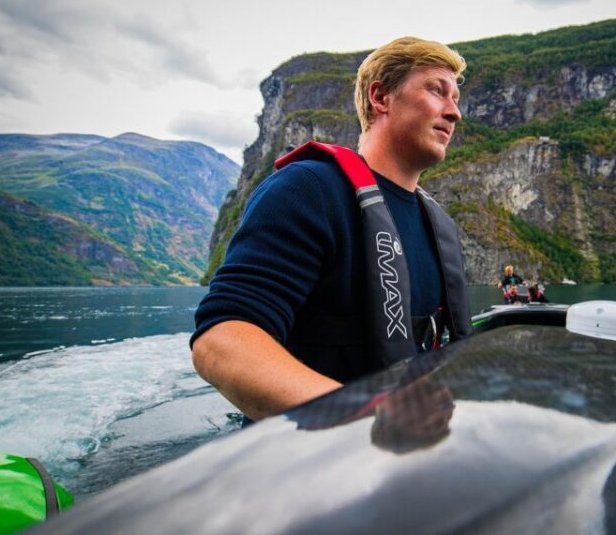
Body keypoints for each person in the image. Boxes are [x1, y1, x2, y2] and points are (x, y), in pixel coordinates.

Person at [191, 37, 472, 422]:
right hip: (313, 464)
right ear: (381, 98)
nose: (454, 112)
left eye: (456, 98)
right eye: (437, 91)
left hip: (410, 461)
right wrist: (367, 416)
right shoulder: (309, 189)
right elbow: (220, 342)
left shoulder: (439, 227)